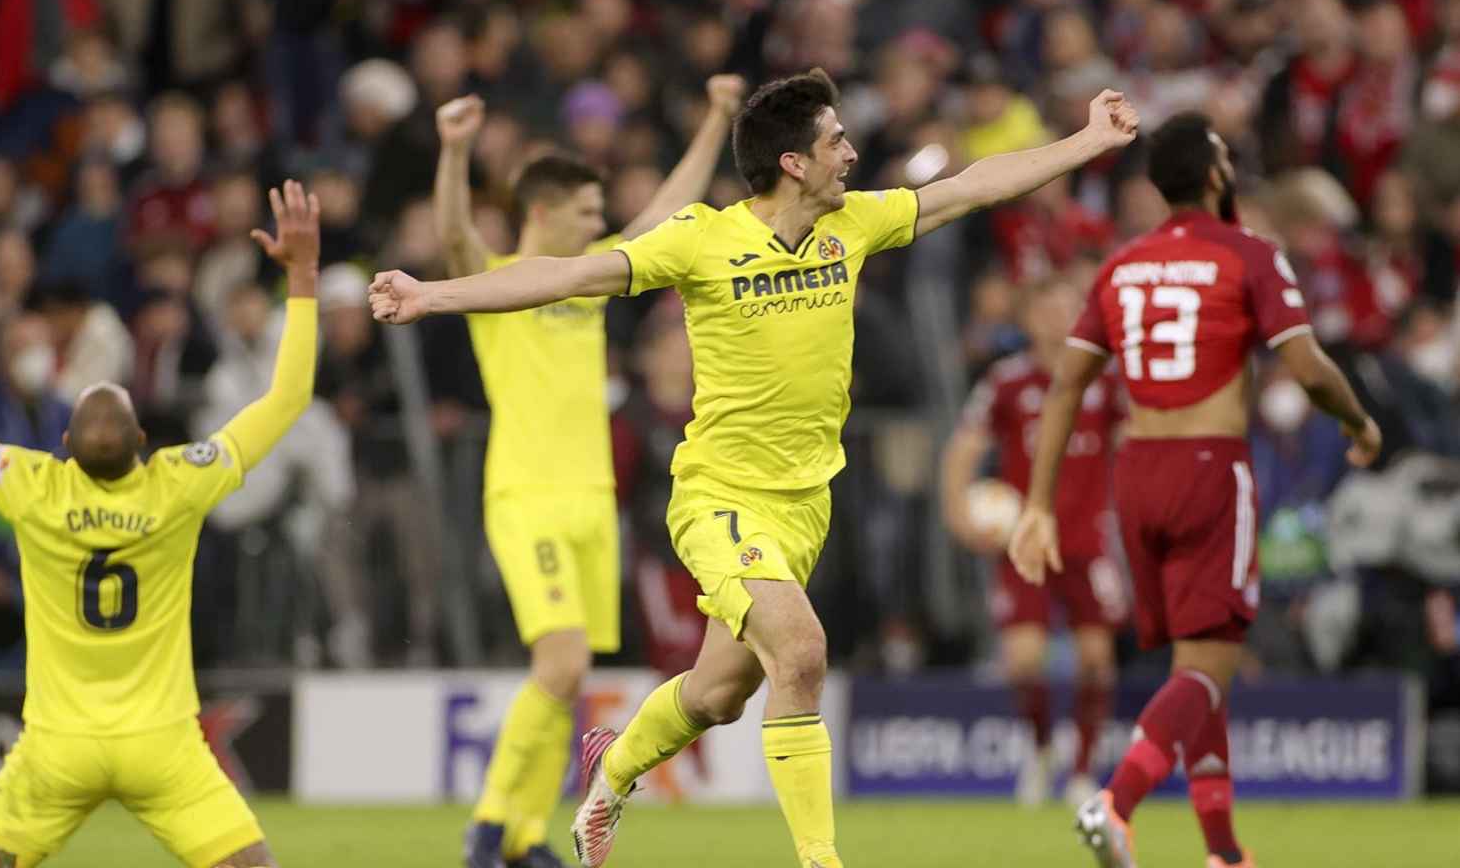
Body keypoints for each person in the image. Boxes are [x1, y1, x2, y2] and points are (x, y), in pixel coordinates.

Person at [371, 68, 1141, 868]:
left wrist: (1087, 140)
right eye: (835, 140)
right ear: (795, 164)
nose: (851, 152)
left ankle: (615, 766)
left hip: (804, 505)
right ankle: (820, 858)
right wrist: (434, 294)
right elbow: (564, 275)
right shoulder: (704, 239)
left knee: (719, 694)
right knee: (801, 653)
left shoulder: (858, 225)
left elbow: (976, 184)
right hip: (718, 498)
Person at [0, 178, 320, 868]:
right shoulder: (179, 483)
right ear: (143, 444)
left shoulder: (30, 483)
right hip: (163, 747)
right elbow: (288, 396)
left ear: (62, 444)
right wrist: (303, 276)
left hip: (57, 748)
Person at [1008, 112, 1382, 868]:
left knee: (1194, 667)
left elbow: (1066, 387)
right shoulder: (1248, 254)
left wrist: (1038, 505)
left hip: (1136, 478)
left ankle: (1224, 851)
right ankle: (1116, 801)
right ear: (1217, 176)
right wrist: (1360, 422)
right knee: (1210, 668)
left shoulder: (1120, 266)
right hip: (1210, 468)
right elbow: (1307, 367)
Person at [438, 74, 745, 868]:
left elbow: (666, 213)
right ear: (543, 212)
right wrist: (455, 149)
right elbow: (453, 241)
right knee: (562, 663)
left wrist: (714, 119)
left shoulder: (586, 289)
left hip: (589, 505)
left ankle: (529, 836)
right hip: (525, 498)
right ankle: (488, 826)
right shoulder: (499, 281)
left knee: (568, 683)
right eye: (585, 213)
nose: (600, 223)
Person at [941, 276, 1125, 810]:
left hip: (1088, 540)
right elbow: (962, 450)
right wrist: (958, 515)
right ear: (1028, 319)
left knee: (1095, 659)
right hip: (1023, 543)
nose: (1055, 319)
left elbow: (1134, 442)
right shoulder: (1006, 382)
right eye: (1045, 309)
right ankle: (1042, 750)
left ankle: (1085, 771)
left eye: (1066, 307)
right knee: (1024, 660)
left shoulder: (1106, 379)